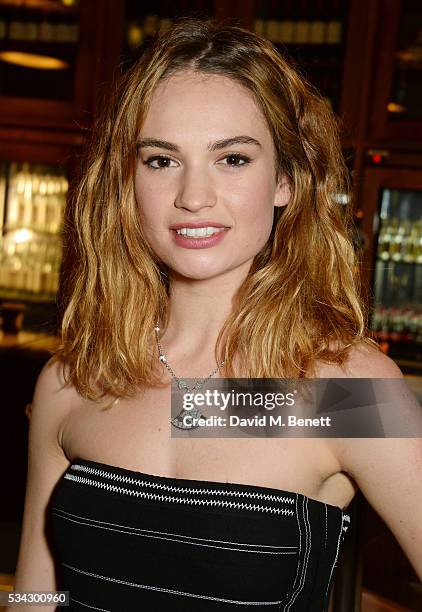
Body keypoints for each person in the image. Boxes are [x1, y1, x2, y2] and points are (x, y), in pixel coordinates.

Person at [9, 17, 421, 612]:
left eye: (232, 158)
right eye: (160, 160)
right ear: (126, 182)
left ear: (285, 180)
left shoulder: (338, 393)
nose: (193, 196)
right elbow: (37, 596)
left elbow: (210, 411)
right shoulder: (75, 382)